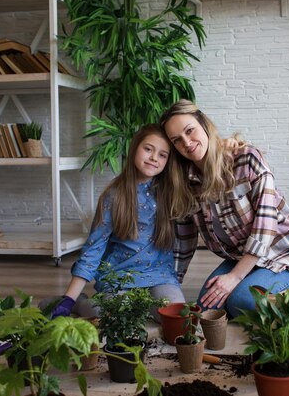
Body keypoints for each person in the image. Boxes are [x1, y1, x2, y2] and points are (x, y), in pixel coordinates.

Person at [160, 99, 289, 318]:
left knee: (239, 301)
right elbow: (183, 244)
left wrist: (233, 278)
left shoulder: (246, 159)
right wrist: (171, 288)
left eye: (190, 131)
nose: (186, 142)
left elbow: (266, 225)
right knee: (205, 310)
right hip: (242, 257)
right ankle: (257, 293)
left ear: (204, 124)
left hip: (288, 251)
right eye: (177, 140)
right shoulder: (185, 183)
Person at [43, 124, 185, 319]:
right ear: (134, 148)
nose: (154, 158)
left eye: (162, 155)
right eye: (148, 149)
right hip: (119, 276)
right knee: (108, 316)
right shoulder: (114, 196)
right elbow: (93, 248)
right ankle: (78, 302)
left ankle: (139, 307)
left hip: (159, 276)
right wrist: (69, 298)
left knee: (176, 316)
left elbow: (201, 165)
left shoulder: (171, 193)